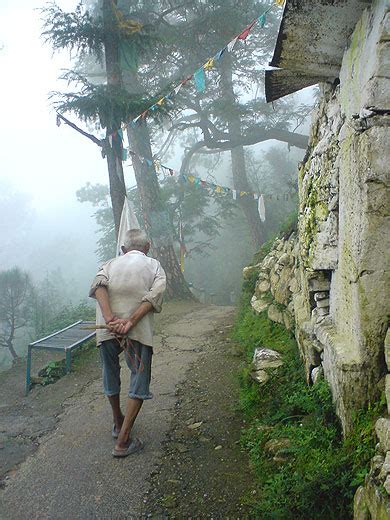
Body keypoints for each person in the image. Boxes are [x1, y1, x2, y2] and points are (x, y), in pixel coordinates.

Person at [89, 229, 166, 457]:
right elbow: (154, 296)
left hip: (107, 330)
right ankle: (123, 441)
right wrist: (130, 321)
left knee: (110, 372)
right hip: (137, 331)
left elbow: (98, 286)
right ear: (147, 247)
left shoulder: (109, 264)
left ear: (123, 250)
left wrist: (110, 318)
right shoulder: (154, 265)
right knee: (139, 375)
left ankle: (117, 423)